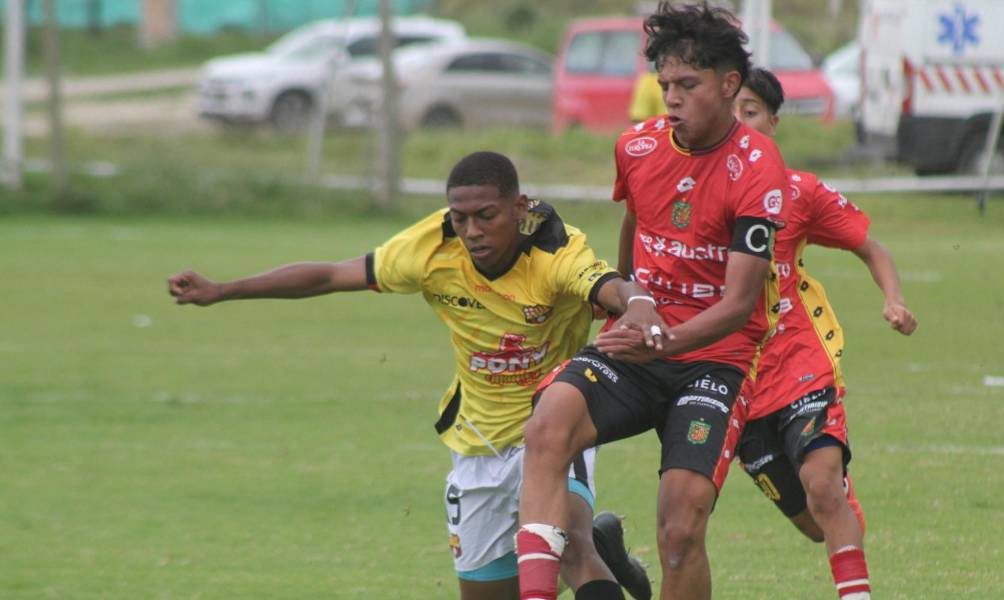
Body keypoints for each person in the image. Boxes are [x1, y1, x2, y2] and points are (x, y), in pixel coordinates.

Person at [166, 151, 658, 600]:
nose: (473, 231)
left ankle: (590, 545)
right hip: (478, 442)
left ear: (517, 207)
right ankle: (607, 550)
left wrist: (637, 306)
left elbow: (610, 286)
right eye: (460, 218)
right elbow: (331, 276)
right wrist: (224, 290)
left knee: (571, 550)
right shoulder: (430, 248)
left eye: (486, 216)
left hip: (555, 424)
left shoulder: (555, 250)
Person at [515, 4, 790, 599]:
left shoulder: (759, 168)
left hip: (714, 359)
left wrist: (658, 338)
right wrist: (626, 298)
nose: (671, 98)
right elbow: (634, 226)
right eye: (664, 84)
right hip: (640, 344)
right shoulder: (636, 147)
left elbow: (740, 303)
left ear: (729, 84)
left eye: (687, 85)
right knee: (547, 425)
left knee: (680, 528)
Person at [732, 67, 918, 600]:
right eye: (732, 114)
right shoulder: (700, 190)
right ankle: (835, 490)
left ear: (773, 121)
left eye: (750, 113)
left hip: (798, 363)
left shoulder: (799, 192)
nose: (740, 125)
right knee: (815, 522)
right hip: (736, 379)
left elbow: (870, 247)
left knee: (822, 491)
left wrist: (895, 300)